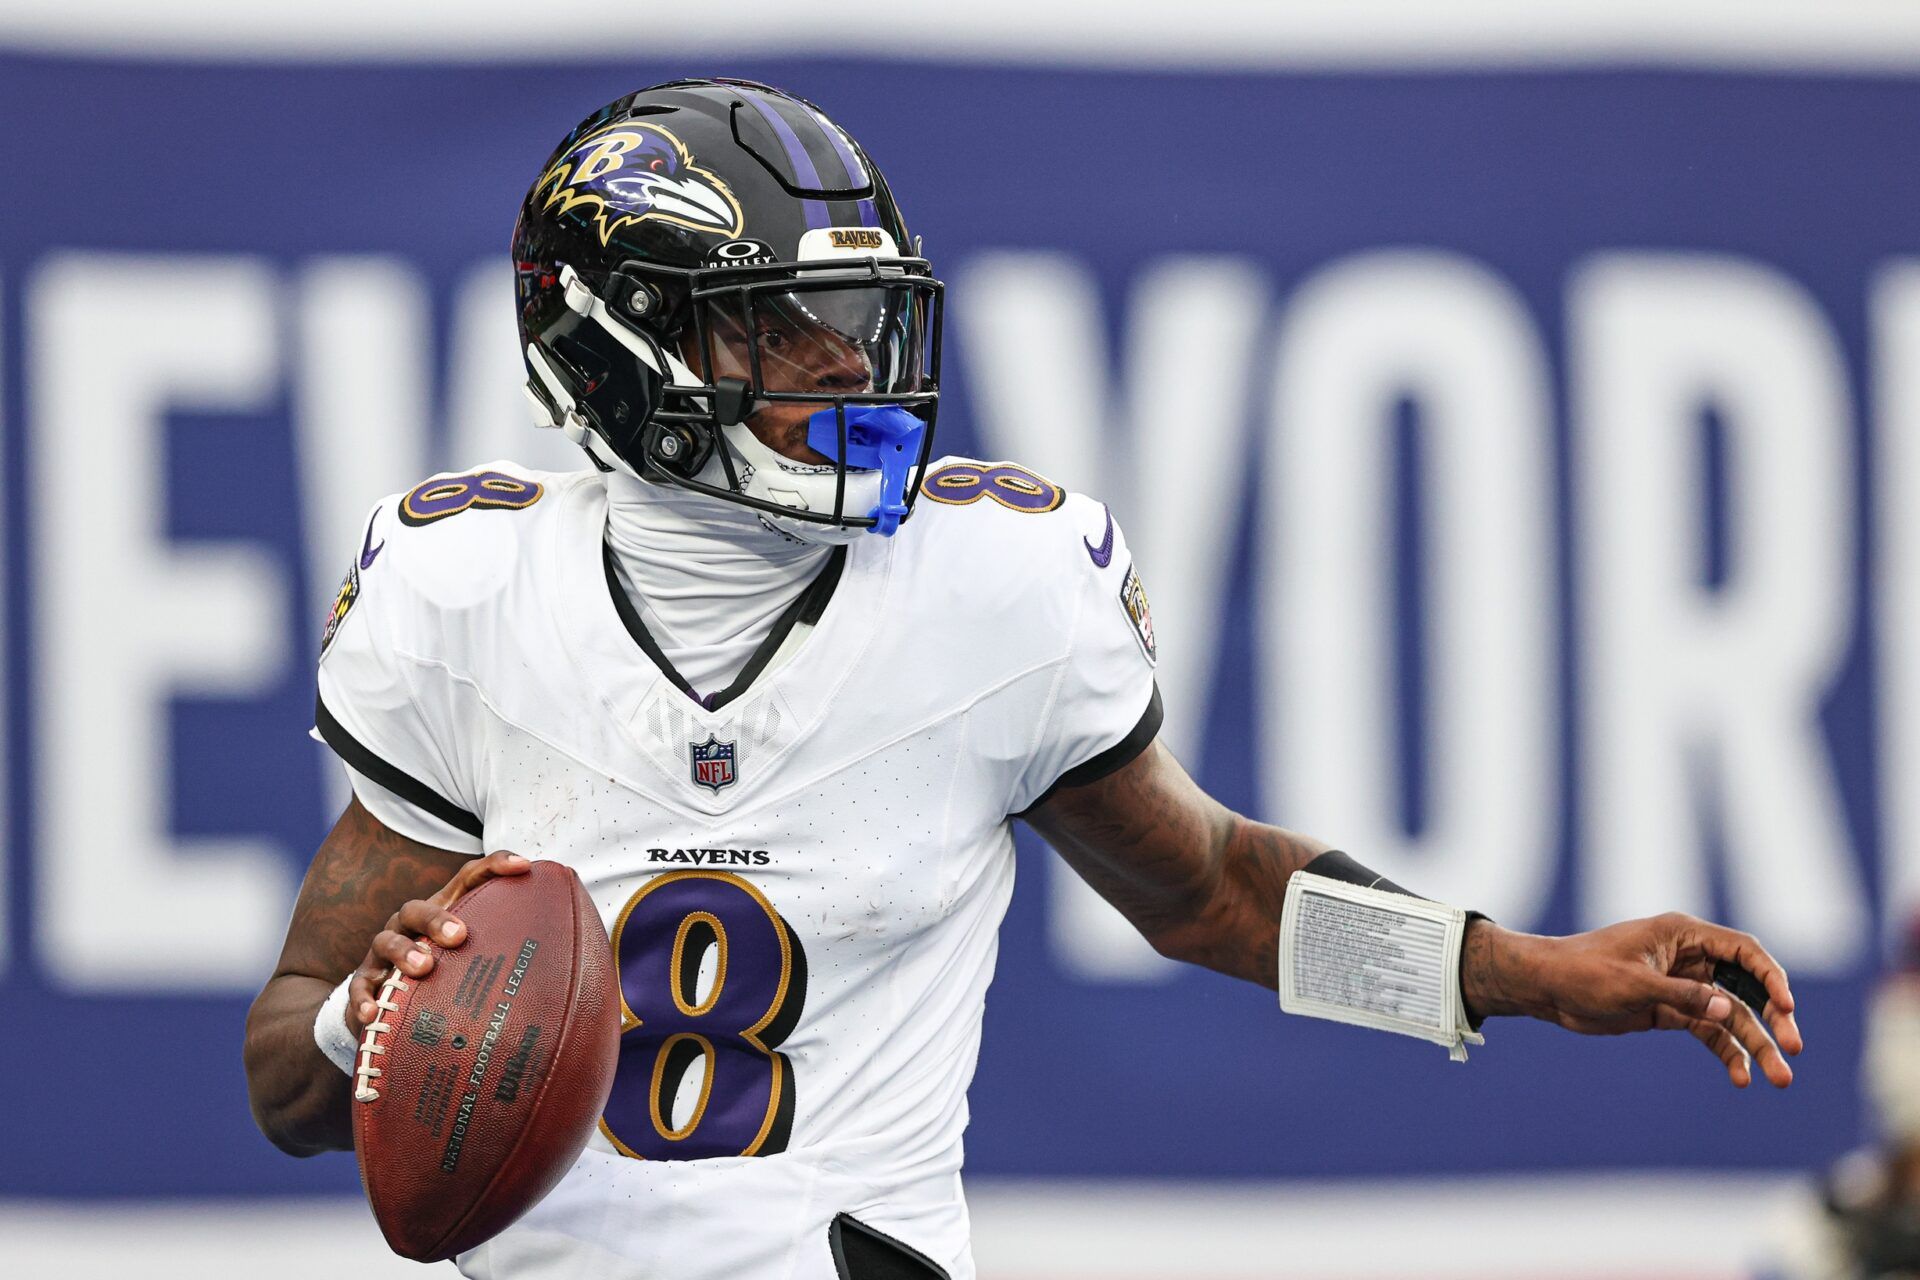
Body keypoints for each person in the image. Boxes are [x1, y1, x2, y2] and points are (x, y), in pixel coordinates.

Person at [243, 78, 1803, 1280]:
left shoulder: (994, 591)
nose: (850, 368)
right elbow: (287, 1076)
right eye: (780, 330)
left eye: (855, 319)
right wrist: (360, 1030)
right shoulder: (464, 597)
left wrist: (1528, 974)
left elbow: (1213, 891)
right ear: (618, 356)